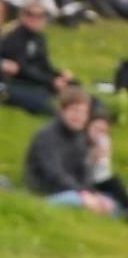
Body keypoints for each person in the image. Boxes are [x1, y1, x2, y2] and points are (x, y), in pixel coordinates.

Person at [24, 87, 120, 216]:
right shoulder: (46, 136)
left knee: (113, 203)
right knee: (76, 199)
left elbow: (83, 175)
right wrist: (83, 194)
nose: (79, 117)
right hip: (47, 193)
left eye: (83, 112)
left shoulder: (79, 137)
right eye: (74, 111)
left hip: (75, 191)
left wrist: (94, 194)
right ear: (62, 110)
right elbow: (54, 174)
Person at [0, 0, 76, 115]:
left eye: (40, 16)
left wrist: (59, 74)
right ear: (22, 16)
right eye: (30, 15)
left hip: (38, 80)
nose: (35, 19)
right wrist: (51, 81)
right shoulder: (14, 38)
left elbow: (43, 64)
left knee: (73, 83)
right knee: (43, 102)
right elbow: (22, 69)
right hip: (18, 82)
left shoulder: (39, 38)